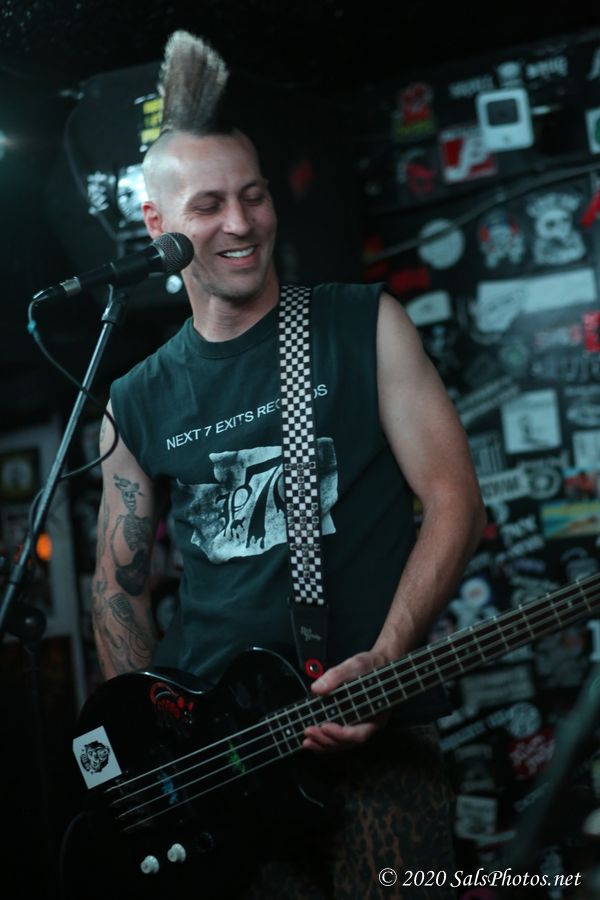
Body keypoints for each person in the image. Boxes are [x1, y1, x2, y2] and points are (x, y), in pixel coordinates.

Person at [89, 30, 486, 900]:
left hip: (378, 738)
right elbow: (117, 586)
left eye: (254, 196)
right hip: (226, 766)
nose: (240, 224)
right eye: (207, 206)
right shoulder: (136, 397)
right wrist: (160, 755)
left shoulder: (360, 324)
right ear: (157, 228)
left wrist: (388, 659)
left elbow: (455, 500)